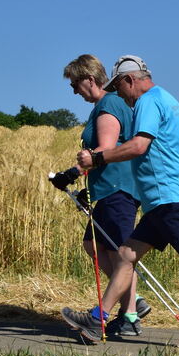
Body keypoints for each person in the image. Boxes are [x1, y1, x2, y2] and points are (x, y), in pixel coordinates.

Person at [62, 55, 179, 352]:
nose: (120, 95)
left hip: (169, 197)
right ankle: (98, 319)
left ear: (130, 80)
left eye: (119, 87)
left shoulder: (146, 102)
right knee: (125, 254)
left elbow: (139, 145)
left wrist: (97, 158)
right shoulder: (169, 100)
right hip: (166, 197)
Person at [50, 54, 150, 337]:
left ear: (89, 79)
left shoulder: (108, 104)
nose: (74, 91)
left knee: (121, 255)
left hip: (117, 188)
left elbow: (104, 151)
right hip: (105, 188)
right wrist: (84, 185)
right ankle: (132, 301)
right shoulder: (104, 106)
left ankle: (130, 313)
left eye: (74, 84)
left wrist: (72, 173)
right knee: (93, 246)